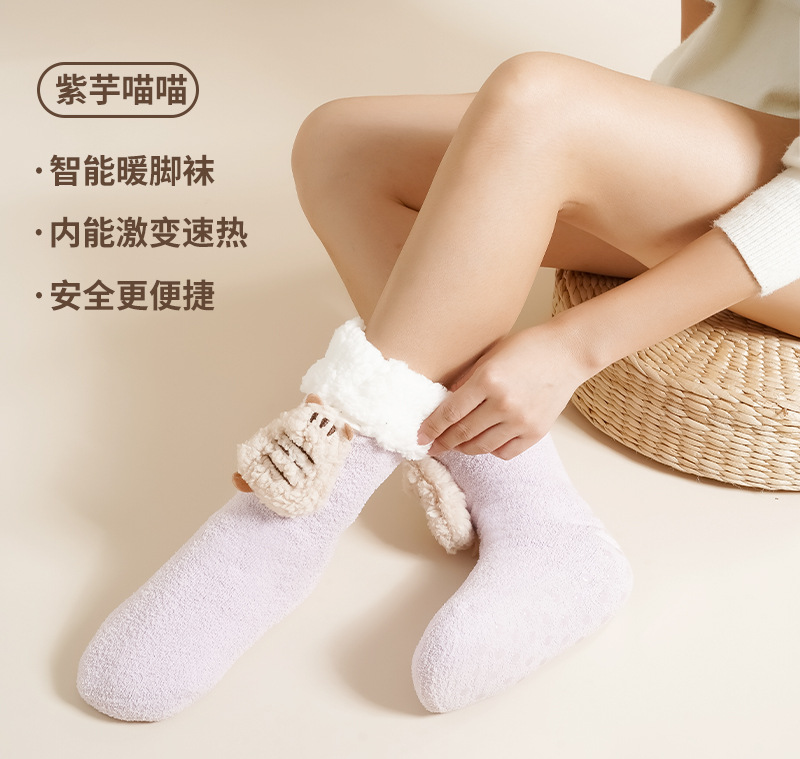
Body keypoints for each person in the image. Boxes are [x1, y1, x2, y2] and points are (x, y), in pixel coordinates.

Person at [77, 0, 800, 720]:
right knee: (343, 146)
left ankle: (299, 505)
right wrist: (658, 137)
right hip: (754, 157)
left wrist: (575, 345)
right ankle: (538, 517)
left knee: (541, 101)